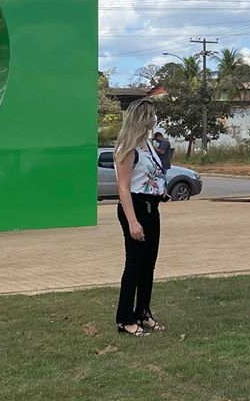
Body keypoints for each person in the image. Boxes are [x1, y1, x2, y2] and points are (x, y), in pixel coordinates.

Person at [114, 99, 169, 336]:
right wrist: (133, 222)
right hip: (134, 208)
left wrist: (160, 191)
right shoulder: (128, 148)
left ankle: (143, 311)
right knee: (134, 265)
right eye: (151, 115)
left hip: (151, 207)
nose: (154, 118)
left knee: (149, 264)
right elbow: (124, 187)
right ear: (142, 117)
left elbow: (150, 175)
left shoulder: (147, 145)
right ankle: (125, 318)